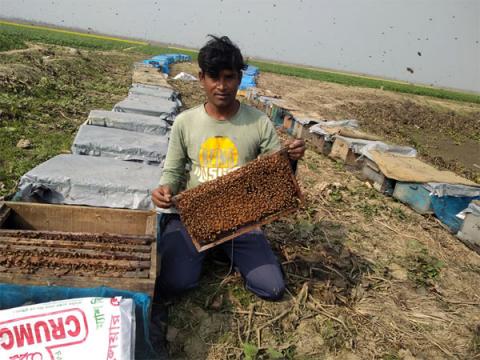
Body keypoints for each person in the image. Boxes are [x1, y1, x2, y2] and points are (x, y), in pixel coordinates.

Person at [150, 34, 305, 354]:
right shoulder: (185, 122)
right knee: (172, 283)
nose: (221, 86)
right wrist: (164, 191)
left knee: (272, 287)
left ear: (239, 78)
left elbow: (277, 178)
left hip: (242, 221)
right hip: (195, 218)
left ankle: (224, 251)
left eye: (229, 77)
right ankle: (204, 252)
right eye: (214, 77)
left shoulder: (259, 122)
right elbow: (173, 172)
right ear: (201, 78)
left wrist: (291, 161)